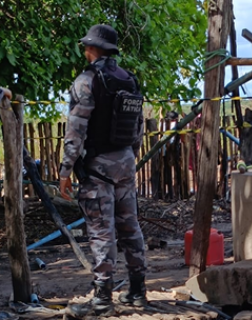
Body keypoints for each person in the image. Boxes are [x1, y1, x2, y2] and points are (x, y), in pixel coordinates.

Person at [59, 24, 147, 317]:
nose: (85, 51)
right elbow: (137, 126)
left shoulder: (87, 82)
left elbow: (76, 129)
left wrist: (65, 170)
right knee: (130, 226)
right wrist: (129, 156)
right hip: (124, 162)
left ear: (93, 49)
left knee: (101, 232)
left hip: (98, 167)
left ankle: (102, 299)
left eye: (86, 47)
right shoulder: (129, 80)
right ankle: (137, 291)